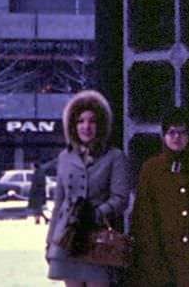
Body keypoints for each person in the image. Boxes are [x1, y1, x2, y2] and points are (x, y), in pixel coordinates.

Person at [129, 107, 189, 287]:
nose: (176, 137)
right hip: (163, 264)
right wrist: (154, 267)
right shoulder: (151, 170)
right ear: (164, 136)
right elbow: (144, 220)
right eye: (171, 132)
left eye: (182, 132)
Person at [46, 89, 130, 287]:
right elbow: (59, 203)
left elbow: (120, 198)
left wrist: (97, 213)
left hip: (98, 240)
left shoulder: (114, 157)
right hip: (67, 240)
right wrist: (50, 242)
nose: (86, 126)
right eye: (81, 121)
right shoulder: (64, 157)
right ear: (72, 125)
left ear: (100, 125)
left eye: (92, 121)